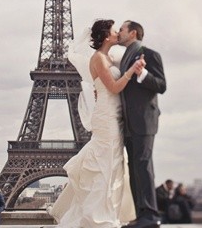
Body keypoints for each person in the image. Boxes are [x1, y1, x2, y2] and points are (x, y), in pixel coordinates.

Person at [49, 19, 146, 228]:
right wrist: (132, 71)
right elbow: (113, 87)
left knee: (112, 164)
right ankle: (98, 217)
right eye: (114, 31)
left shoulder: (109, 58)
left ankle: (107, 212)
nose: (117, 33)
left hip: (114, 114)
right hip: (106, 116)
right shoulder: (99, 59)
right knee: (105, 164)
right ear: (105, 36)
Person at [118, 20, 167, 228]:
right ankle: (141, 213)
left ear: (133, 33)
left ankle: (150, 214)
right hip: (129, 122)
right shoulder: (125, 57)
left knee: (144, 164)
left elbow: (161, 85)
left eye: (122, 29)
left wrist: (143, 74)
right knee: (135, 166)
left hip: (144, 120)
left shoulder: (150, 54)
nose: (118, 33)